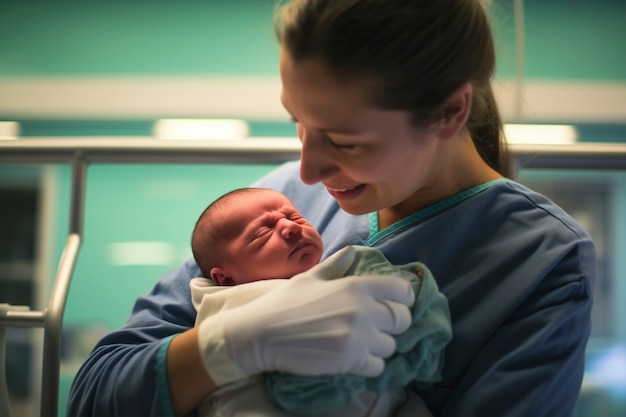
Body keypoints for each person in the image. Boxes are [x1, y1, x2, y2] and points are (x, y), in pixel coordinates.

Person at [67, 1, 597, 416]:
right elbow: (96, 395)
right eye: (296, 121)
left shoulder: (542, 261)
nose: (307, 172)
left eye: (345, 142)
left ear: (449, 112)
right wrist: (229, 345)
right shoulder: (274, 202)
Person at [188, 187, 451, 416]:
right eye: (262, 233)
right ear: (226, 279)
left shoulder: (348, 269)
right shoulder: (223, 303)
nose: (290, 227)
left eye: (294, 216)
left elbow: (419, 312)